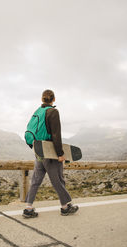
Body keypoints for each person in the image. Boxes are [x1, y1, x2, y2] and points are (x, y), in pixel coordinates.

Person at [23, 89, 79, 218]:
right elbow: (56, 135)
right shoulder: (53, 112)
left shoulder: (38, 111)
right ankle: (65, 207)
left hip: (38, 150)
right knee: (58, 180)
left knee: (36, 181)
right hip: (49, 151)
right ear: (53, 99)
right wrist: (60, 154)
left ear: (42, 99)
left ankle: (28, 208)